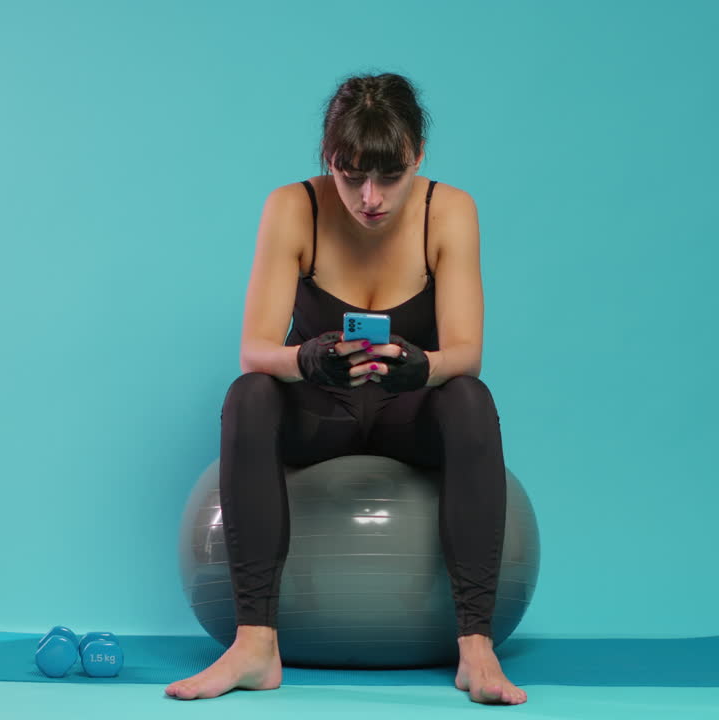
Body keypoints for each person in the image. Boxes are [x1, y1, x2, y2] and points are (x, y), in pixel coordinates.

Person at [165, 73, 525, 705]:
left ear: (417, 157)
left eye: (389, 176)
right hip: (321, 412)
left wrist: (424, 367)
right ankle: (255, 645)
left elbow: (467, 353)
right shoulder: (292, 206)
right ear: (329, 160)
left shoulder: (450, 209)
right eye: (351, 174)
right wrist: (306, 359)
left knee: (472, 398)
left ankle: (476, 648)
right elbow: (254, 348)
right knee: (249, 392)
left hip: (407, 415)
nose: (369, 198)